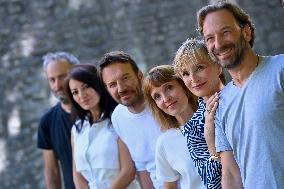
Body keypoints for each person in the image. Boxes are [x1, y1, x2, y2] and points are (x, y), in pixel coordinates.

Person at [197, 2, 284, 189]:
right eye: (210, 38)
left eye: (225, 32)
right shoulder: (221, 102)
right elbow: (230, 174)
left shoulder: (280, 70)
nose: (218, 44)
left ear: (246, 32)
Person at [64, 63, 141, 189]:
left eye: (86, 87)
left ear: (99, 85)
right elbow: (77, 175)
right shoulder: (76, 129)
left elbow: (128, 171)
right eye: (75, 92)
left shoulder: (118, 120)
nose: (82, 95)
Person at [98, 51, 162, 189]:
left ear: (140, 76)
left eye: (125, 78)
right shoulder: (118, 117)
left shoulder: (164, 101)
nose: (121, 88)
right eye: (112, 84)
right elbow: (143, 167)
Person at [173, 38, 227, 189]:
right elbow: (212, 183)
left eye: (199, 68)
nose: (193, 78)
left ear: (218, 65)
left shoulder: (241, 96)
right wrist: (211, 141)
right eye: (185, 73)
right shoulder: (193, 128)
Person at [143, 64, 206, 189]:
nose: (166, 98)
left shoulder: (215, 117)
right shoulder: (165, 143)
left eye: (169, 88)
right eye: (157, 96)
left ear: (184, 85)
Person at [37, 52, 79, 189]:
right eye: (52, 80)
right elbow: (52, 171)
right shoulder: (47, 122)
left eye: (62, 77)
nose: (57, 85)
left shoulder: (98, 111)